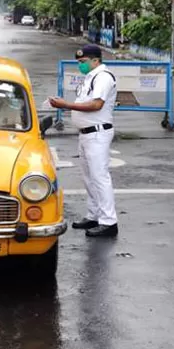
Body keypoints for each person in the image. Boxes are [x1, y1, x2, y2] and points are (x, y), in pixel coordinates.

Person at [48, 44, 118, 238]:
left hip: (97, 133)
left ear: (95, 60)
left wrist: (66, 105)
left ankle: (109, 221)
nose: (80, 65)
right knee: (89, 178)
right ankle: (94, 215)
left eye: (83, 62)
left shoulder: (103, 77)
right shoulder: (91, 77)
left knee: (100, 177)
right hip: (86, 134)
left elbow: (96, 104)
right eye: (79, 62)